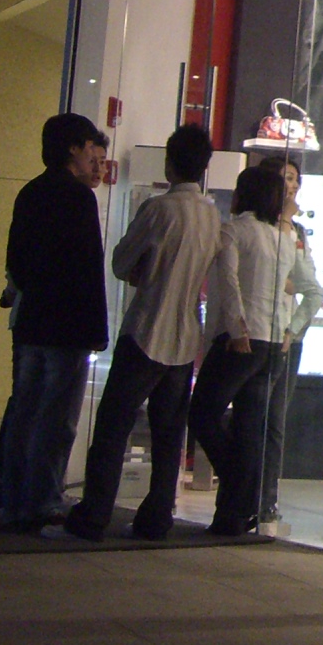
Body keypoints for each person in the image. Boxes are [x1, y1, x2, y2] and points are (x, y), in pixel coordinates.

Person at [55, 124, 222, 540]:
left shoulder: (158, 208)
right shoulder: (211, 214)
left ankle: (94, 515)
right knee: (169, 435)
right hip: (186, 335)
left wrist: (141, 269)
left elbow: (121, 262)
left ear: (169, 163)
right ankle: (157, 517)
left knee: (113, 428)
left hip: (147, 328)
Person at [0, 114, 110, 531]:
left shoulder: (30, 192)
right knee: (57, 419)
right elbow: (88, 268)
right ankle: (43, 500)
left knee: (24, 412)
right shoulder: (79, 198)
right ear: (73, 149)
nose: (92, 158)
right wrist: (96, 329)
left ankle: (12, 500)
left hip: (32, 321)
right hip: (67, 326)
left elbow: (15, 258)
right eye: (88, 148)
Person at [189, 164, 296, 535]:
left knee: (202, 413)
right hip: (272, 342)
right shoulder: (283, 239)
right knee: (250, 427)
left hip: (241, 338)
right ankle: (235, 514)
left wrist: (236, 329)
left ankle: (237, 486)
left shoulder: (233, 231)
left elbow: (228, 283)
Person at [254, 155, 322, 527]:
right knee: (253, 416)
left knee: (275, 422)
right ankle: (245, 493)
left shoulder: (298, 232)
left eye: (295, 178)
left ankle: (267, 499)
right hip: (257, 331)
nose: (291, 186)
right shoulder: (257, 226)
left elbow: (305, 285)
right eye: (284, 178)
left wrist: (292, 331)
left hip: (286, 336)